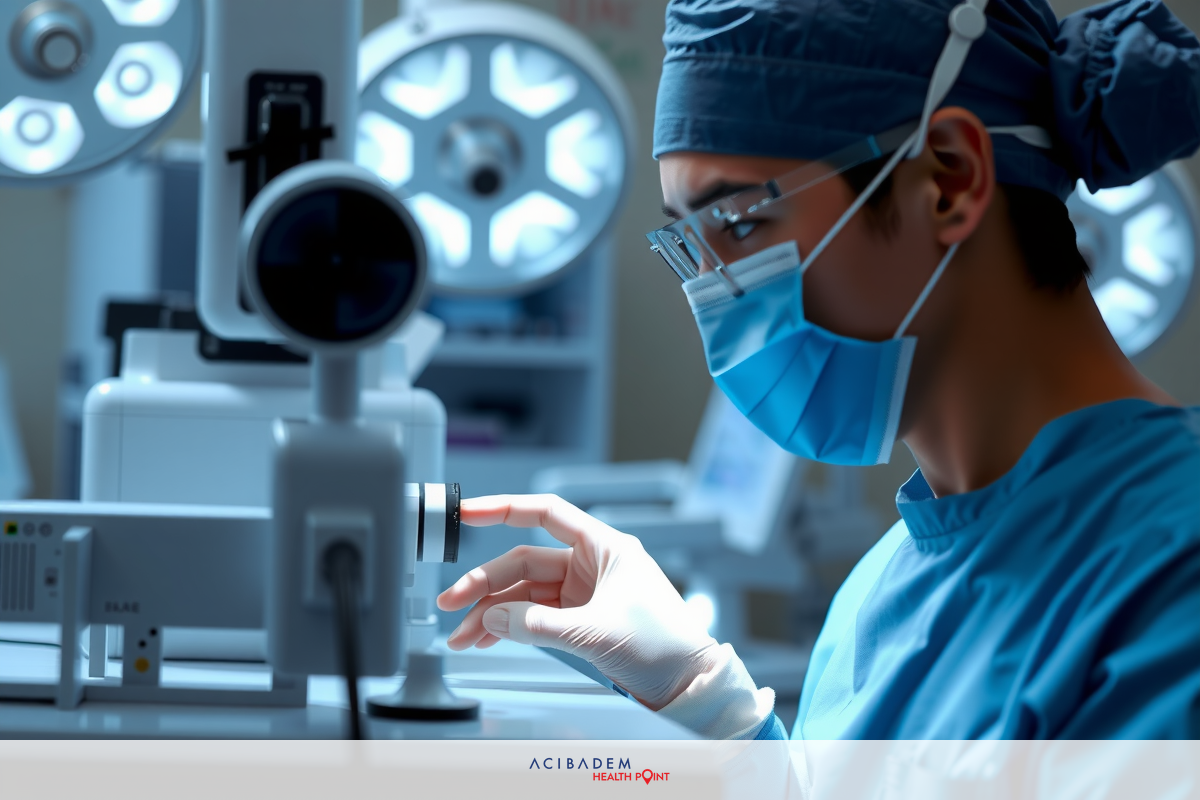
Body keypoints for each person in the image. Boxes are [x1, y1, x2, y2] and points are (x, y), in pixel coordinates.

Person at [438, 0, 1200, 739]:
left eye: (739, 221)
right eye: (689, 243)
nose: (715, 292)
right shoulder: (885, 584)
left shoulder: (1170, 581)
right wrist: (706, 704)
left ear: (950, 178)